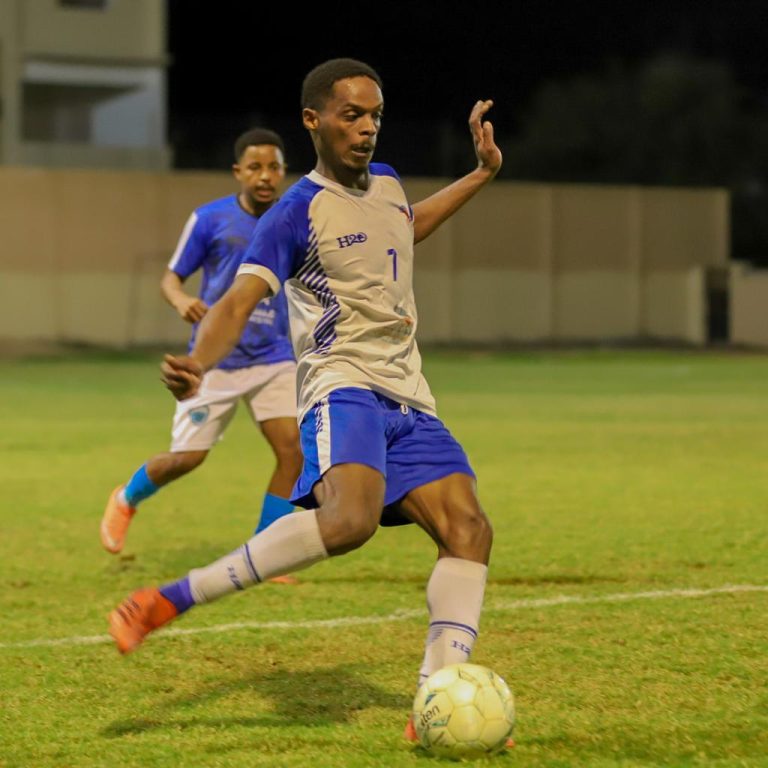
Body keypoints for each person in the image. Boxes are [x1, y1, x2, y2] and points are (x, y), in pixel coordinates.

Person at [108, 58, 507, 745]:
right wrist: (199, 362)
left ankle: (433, 702)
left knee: (470, 530)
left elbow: (405, 226)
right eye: (352, 115)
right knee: (349, 522)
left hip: (409, 393)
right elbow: (239, 300)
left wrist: (480, 174)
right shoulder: (296, 212)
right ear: (313, 120)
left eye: (375, 115)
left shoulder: (387, 184)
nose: (368, 128)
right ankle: (169, 599)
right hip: (341, 386)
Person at [100, 128, 303, 568]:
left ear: (284, 171)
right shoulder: (210, 219)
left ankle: (264, 554)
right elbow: (171, 278)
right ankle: (126, 497)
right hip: (214, 361)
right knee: (187, 458)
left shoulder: (293, 221)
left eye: (273, 167)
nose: (265, 176)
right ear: (238, 172)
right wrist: (181, 301)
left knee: (293, 452)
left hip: (274, 357)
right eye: (255, 167)